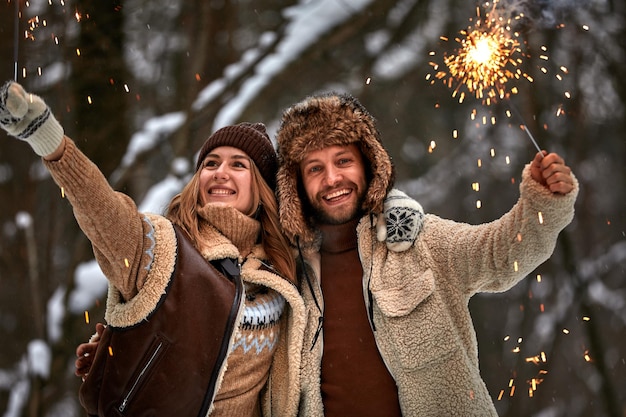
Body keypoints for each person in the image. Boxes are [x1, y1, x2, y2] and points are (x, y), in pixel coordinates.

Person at [0, 81, 306, 417]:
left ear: (261, 187)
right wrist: (54, 146)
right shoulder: (166, 250)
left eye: (238, 165)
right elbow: (107, 215)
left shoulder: (284, 271)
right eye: (211, 163)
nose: (220, 173)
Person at [274, 91, 578, 416]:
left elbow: (500, 254)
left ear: (368, 164)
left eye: (343, 161)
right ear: (296, 185)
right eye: (315, 169)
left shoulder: (422, 242)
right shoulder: (287, 275)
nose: (332, 178)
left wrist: (542, 203)